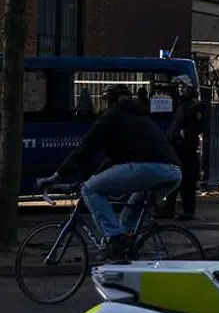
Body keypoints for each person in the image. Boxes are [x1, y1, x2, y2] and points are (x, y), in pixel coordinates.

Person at [37, 85, 183, 261]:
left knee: (91, 190)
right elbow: (112, 160)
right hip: (173, 172)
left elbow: (85, 148)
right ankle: (124, 254)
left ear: (110, 102)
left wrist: (56, 176)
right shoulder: (139, 117)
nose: (105, 106)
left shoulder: (112, 117)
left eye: (106, 102)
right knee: (128, 218)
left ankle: (115, 238)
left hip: (147, 168)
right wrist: (94, 177)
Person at [158, 77, 205, 220]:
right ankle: (168, 210)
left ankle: (188, 212)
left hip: (186, 152)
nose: (180, 89)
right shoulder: (181, 105)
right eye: (179, 87)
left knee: (187, 183)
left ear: (190, 89)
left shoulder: (193, 106)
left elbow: (196, 128)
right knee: (174, 180)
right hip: (177, 150)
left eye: (183, 87)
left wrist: (183, 135)